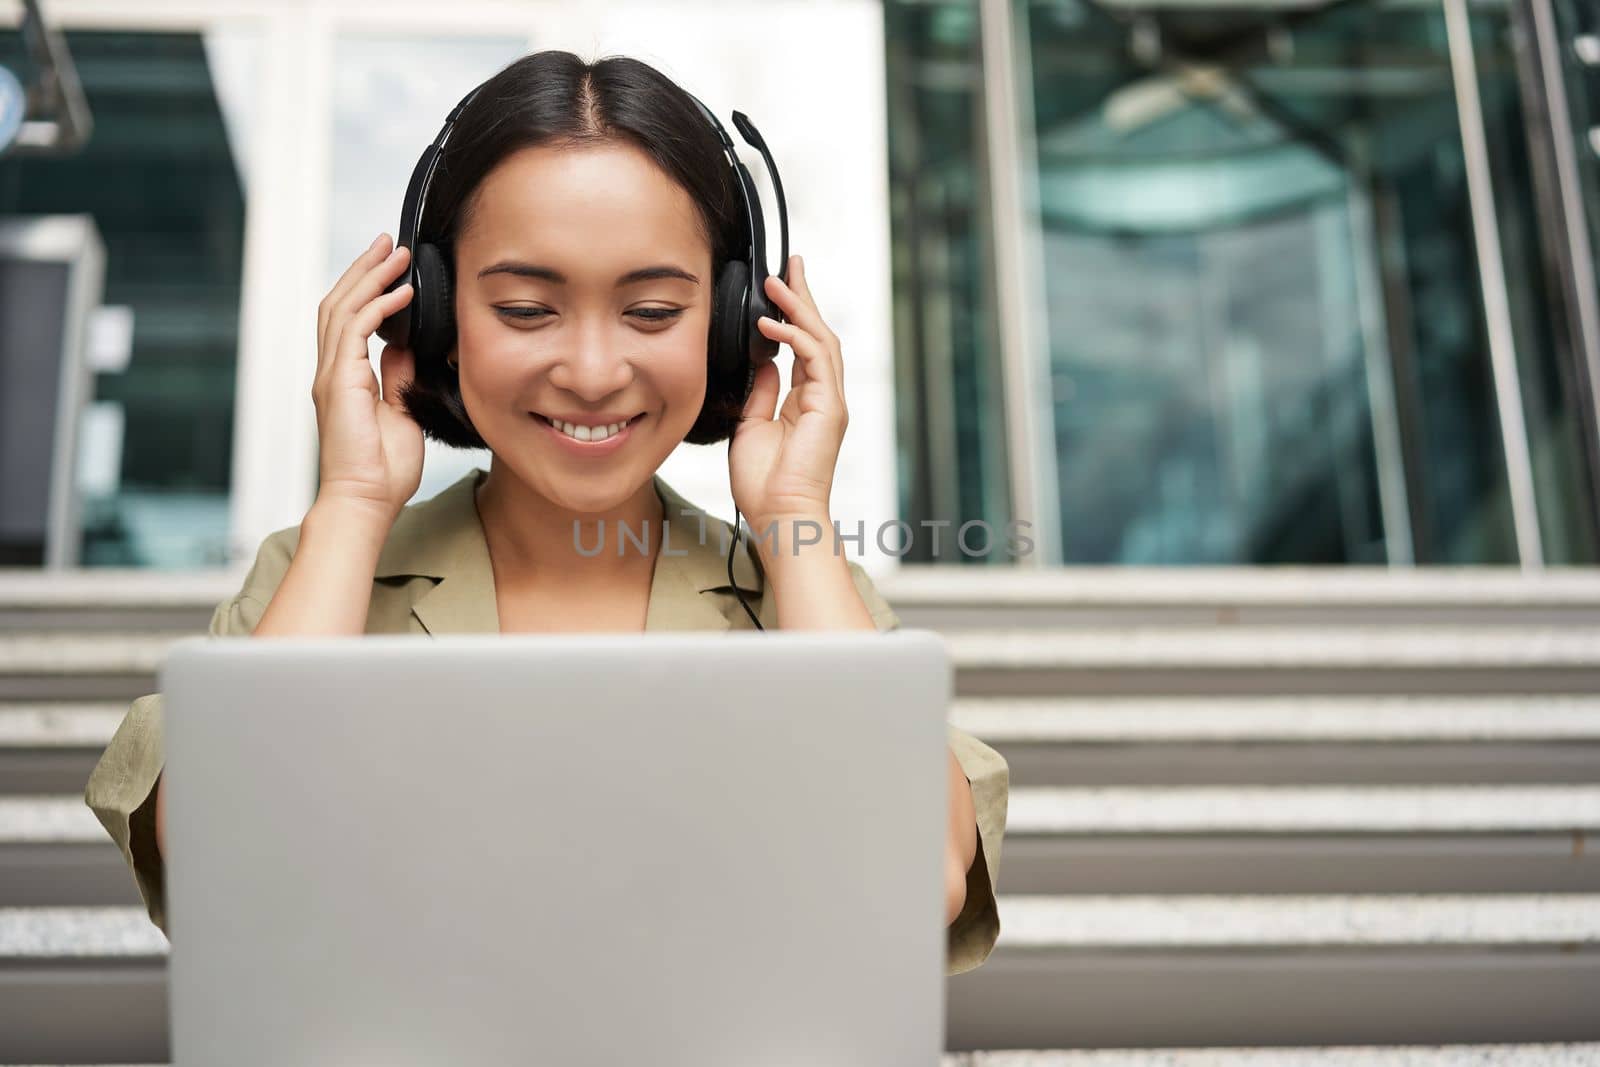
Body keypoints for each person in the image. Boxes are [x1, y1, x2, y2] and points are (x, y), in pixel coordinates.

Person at [84, 50, 1007, 977]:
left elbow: (917, 876)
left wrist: (795, 516)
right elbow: (219, 859)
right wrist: (356, 501)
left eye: (651, 310)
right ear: (436, 322)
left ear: (732, 327)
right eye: (528, 309)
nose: (595, 372)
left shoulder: (806, 599)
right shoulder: (321, 576)